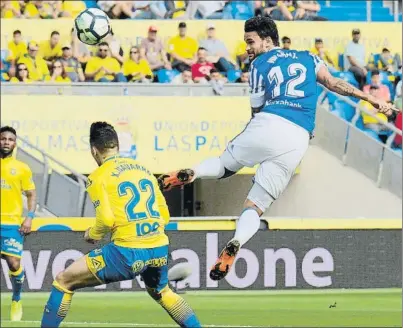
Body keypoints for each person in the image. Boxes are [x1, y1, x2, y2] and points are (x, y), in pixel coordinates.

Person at [158, 16, 395, 281]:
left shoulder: (259, 64)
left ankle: (191, 173)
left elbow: (256, 109)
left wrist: (253, 135)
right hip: (297, 139)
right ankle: (236, 241)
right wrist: (370, 98)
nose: (247, 47)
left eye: (251, 41)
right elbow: (335, 84)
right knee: (255, 206)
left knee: (224, 166)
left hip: (269, 121)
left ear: (268, 40)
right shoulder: (310, 58)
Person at [40, 122, 201, 328]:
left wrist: (93, 233)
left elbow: (106, 219)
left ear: (94, 150)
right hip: (159, 247)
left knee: (64, 281)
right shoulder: (144, 170)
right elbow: (164, 215)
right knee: (163, 292)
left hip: (127, 252)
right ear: (117, 146)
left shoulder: (98, 177)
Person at [1, 126, 37, 322]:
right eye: (3, 139)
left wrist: (29, 217)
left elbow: (31, 194)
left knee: (14, 263)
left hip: (11, 223)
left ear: (15, 143)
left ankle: (16, 299)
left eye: (10, 139)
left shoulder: (22, 168)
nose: (6, 142)